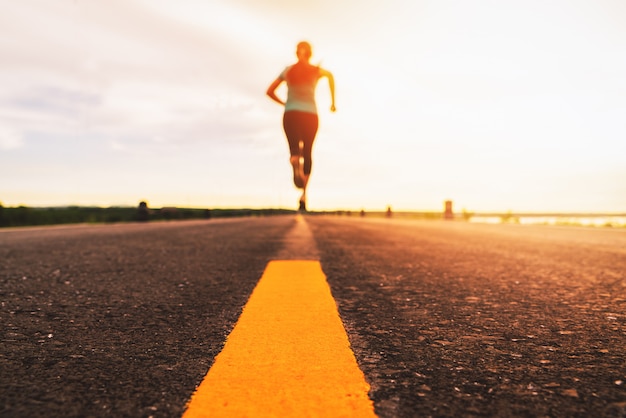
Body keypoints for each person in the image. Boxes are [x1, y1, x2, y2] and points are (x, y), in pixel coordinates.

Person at [266, 41, 336, 211]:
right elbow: (330, 76)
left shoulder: (288, 70)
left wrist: (285, 103)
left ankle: (294, 161)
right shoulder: (315, 70)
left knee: (294, 150)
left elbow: (269, 91)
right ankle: (304, 194)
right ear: (309, 53)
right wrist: (333, 102)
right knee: (308, 152)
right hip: (310, 114)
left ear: (296, 53)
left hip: (291, 114)